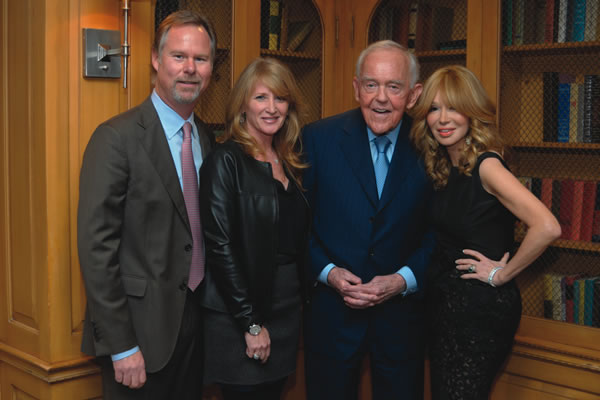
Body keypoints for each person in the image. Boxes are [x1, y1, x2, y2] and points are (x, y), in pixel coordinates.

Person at [77, 10, 216, 400]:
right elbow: (96, 249)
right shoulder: (116, 138)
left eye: (201, 59)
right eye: (178, 56)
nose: (190, 69)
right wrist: (121, 345)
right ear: (156, 59)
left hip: (196, 330)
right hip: (138, 338)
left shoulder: (206, 138)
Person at [410, 65, 562, 399]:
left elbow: (547, 226)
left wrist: (502, 274)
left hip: (479, 311)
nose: (443, 119)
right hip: (446, 305)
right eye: (434, 108)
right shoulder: (445, 164)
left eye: (454, 107)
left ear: (472, 113)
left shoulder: (487, 165)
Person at [302, 40, 435, 400]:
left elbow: (439, 233)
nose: (381, 98)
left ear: (413, 94)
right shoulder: (318, 138)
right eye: (371, 84)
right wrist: (328, 272)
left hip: (402, 321)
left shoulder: (432, 145)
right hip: (332, 317)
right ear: (356, 87)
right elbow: (298, 226)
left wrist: (402, 280)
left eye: (394, 87)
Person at [198, 57, 309, 400]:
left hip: (286, 307)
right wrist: (250, 322)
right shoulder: (225, 160)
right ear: (243, 105)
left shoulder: (291, 160)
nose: (272, 108)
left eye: (280, 98)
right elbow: (219, 246)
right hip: (240, 314)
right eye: (261, 97)